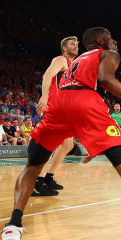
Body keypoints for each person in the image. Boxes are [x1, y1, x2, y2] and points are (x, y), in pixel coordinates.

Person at [0, 27, 121, 240]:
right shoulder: (108, 54)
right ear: (100, 40)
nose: (115, 41)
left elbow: (71, 106)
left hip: (59, 104)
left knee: (32, 165)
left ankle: (13, 226)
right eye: (111, 37)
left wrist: (90, 139)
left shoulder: (77, 60)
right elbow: (105, 78)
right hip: (86, 101)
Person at [33, 36, 79, 195]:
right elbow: (47, 76)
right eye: (72, 44)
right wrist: (44, 96)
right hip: (55, 107)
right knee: (49, 146)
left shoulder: (73, 65)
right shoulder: (61, 59)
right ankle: (37, 182)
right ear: (64, 48)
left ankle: (48, 177)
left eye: (77, 44)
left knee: (68, 145)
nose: (76, 46)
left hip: (65, 109)